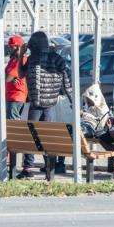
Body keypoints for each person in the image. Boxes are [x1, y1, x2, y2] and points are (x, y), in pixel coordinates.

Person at [18, 31, 72, 178]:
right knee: (46, 135)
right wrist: (72, 100)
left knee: (30, 134)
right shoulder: (56, 58)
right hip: (50, 103)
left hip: (35, 104)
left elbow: (20, 74)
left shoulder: (31, 59)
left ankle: (28, 168)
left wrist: (20, 55)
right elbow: (67, 80)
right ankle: (50, 166)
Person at [4, 35, 30, 172]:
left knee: (11, 128)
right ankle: (7, 154)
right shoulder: (13, 60)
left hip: (16, 98)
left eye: (12, 46)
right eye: (9, 46)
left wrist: (8, 77)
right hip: (10, 97)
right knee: (0, 125)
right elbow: (8, 77)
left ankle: (10, 158)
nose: (10, 48)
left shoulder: (20, 60)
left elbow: (8, 77)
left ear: (19, 47)